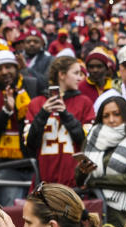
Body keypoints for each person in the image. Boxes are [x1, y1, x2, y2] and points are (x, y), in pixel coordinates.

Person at [77, 90, 126, 227]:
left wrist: (95, 182)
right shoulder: (93, 137)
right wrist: (82, 171)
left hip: (124, 213)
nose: (111, 120)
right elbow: (79, 180)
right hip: (92, 210)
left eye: (116, 114)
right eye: (106, 116)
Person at [0, 48, 36, 206]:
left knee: (40, 214)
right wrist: (6, 111)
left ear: (17, 68)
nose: (4, 72)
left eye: (8, 66)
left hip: (35, 163)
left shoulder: (33, 85)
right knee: (10, 215)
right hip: (6, 167)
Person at [25, 55, 93, 187]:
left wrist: (65, 114)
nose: (80, 78)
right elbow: (30, 144)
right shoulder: (36, 103)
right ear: (61, 74)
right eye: (76, 73)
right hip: (44, 181)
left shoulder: (85, 103)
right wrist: (43, 114)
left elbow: (86, 142)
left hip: (73, 183)